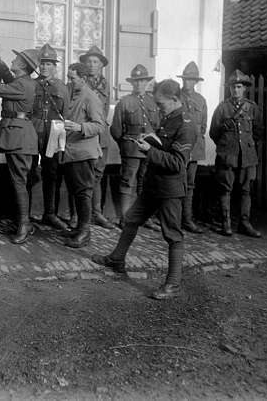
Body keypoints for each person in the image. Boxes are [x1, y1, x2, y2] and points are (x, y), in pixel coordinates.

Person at [91, 79, 198, 300]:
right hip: (153, 184)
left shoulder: (186, 124)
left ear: (175, 100)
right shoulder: (169, 118)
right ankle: (117, 259)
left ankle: (173, 284)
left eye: (161, 104)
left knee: (172, 234)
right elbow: (164, 147)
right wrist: (151, 140)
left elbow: (178, 163)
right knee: (131, 219)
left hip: (169, 189)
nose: (159, 108)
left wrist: (149, 150)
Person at [0, 49, 40, 244]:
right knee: (18, 181)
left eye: (16, 59)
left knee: (18, 182)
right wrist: (0, 66)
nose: (13, 60)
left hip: (19, 137)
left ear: (24, 65)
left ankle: (24, 224)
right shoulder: (22, 82)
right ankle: (22, 222)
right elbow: (9, 81)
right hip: (18, 135)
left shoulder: (23, 84)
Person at [209, 70, 262, 238]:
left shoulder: (252, 108)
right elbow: (213, 132)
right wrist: (226, 145)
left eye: (239, 87)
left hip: (247, 155)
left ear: (244, 88)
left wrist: (247, 145)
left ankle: (245, 223)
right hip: (228, 154)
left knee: (246, 190)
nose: (236, 90)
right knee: (226, 189)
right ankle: (226, 223)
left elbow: (258, 131)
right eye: (233, 87)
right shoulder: (222, 108)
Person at [61, 63, 106, 248]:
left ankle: (85, 233)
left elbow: (100, 126)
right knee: (77, 191)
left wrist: (80, 127)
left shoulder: (90, 97)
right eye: (68, 78)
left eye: (72, 78)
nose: (69, 81)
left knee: (83, 193)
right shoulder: (74, 94)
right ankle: (80, 228)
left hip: (84, 152)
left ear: (83, 78)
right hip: (72, 152)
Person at [110, 64, 160, 229]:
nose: (139, 84)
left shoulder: (153, 102)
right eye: (136, 82)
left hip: (150, 149)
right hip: (131, 149)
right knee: (127, 182)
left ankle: (143, 217)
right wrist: (125, 145)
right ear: (132, 83)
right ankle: (125, 218)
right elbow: (116, 129)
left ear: (147, 82)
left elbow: (158, 126)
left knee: (145, 183)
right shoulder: (124, 102)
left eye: (142, 81)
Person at [30, 43, 69, 230]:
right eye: (42, 63)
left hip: (53, 133)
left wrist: (62, 141)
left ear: (55, 66)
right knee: (28, 171)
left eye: (49, 64)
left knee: (52, 173)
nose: (45, 67)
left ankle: (50, 213)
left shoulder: (62, 88)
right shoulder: (31, 84)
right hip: (32, 130)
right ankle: (25, 215)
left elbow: (65, 115)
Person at [79, 46, 115, 229]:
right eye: (89, 62)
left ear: (101, 65)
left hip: (101, 134)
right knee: (83, 175)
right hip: (84, 133)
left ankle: (97, 213)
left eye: (95, 62)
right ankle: (81, 216)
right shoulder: (80, 82)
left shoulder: (105, 84)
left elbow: (106, 108)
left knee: (98, 175)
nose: (92, 65)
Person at [177, 61, 207, 234]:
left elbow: (203, 126)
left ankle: (187, 219)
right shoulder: (175, 97)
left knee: (190, 184)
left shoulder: (200, 100)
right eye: (185, 79)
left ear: (196, 82)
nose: (187, 83)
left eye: (191, 80)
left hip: (194, 149)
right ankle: (173, 219)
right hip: (178, 148)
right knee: (175, 182)